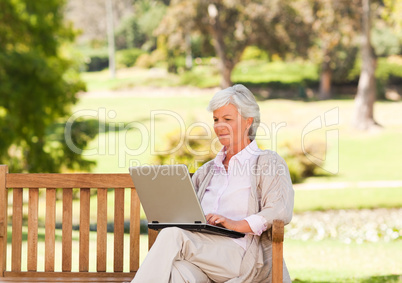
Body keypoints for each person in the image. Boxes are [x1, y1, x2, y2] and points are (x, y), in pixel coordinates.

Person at [131, 84, 294, 283]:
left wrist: (236, 224)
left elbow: (279, 210)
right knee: (176, 271)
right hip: (204, 256)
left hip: (240, 257)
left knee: (173, 235)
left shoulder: (267, 162)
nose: (219, 126)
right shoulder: (207, 170)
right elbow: (188, 213)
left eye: (227, 119)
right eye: (216, 120)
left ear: (247, 122)